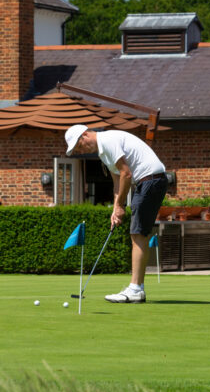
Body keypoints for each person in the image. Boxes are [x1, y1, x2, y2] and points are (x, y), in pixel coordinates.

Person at [64, 124, 168, 304]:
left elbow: (126, 174)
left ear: (85, 135)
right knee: (137, 232)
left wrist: (121, 205)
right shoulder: (103, 153)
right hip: (146, 182)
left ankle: (136, 289)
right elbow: (117, 182)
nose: (81, 150)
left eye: (79, 146)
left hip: (150, 180)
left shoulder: (108, 141)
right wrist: (116, 209)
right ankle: (137, 288)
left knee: (138, 233)